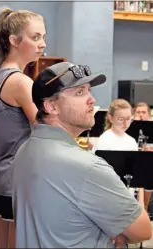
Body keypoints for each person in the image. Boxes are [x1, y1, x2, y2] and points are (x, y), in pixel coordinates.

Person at [12, 62, 151, 248]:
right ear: (51, 106)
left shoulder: (24, 150)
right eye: (79, 92)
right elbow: (143, 230)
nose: (92, 100)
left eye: (88, 90)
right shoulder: (86, 166)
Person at [0, 7, 46, 248]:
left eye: (43, 37)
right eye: (35, 37)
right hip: (18, 180)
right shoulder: (20, 81)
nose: (42, 44)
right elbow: (45, 129)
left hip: (1, 178)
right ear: (13, 40)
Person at [134, 102, 153, 212]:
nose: (141, 115)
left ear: (149, 115)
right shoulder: (130, 128)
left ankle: (145, 207)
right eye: (138, 112)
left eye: (144, 112)